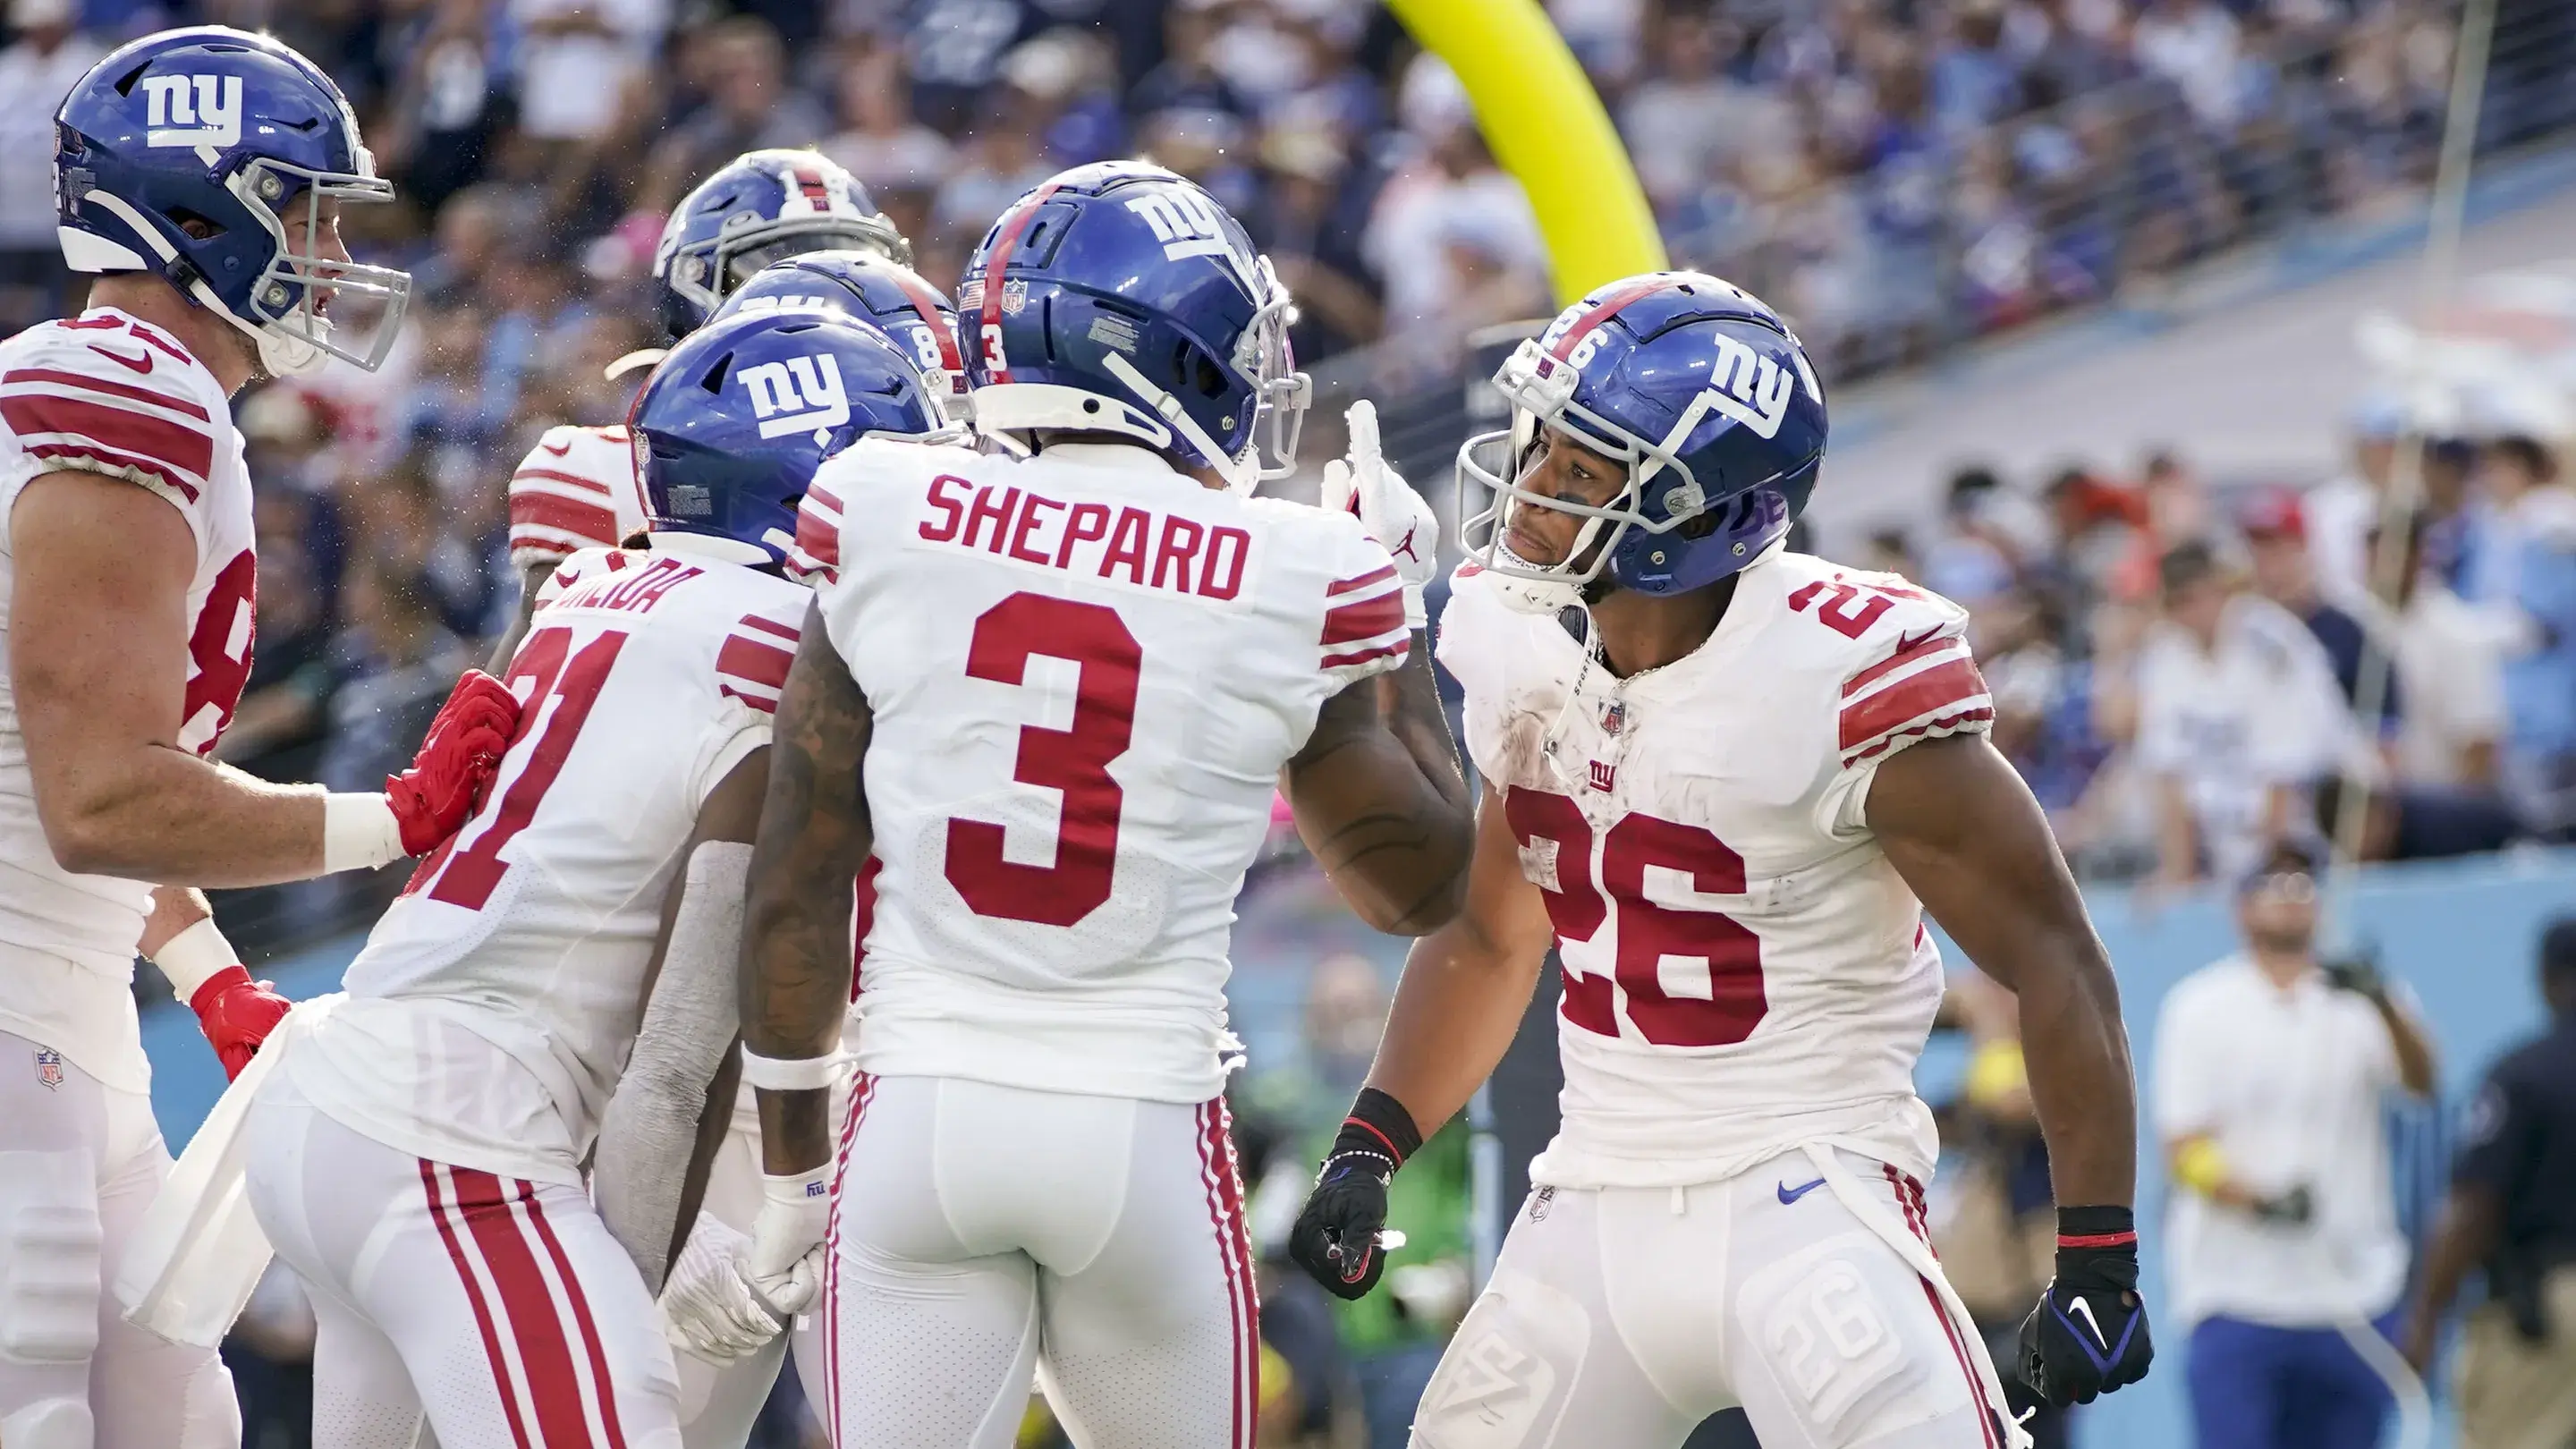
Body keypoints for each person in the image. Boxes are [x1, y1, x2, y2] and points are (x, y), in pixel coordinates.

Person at [1285, 271, 2154, 1448]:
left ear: (1699, 515)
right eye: (1543, 449)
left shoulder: (1844, 675)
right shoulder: (1521, 642)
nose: (1531, 491)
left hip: (1811, 1193)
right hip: (1590, 1194)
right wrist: (1371, 1140)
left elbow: (2055, 961)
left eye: (1583, 474)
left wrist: (2098, 1249)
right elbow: (1494, 935)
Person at [725, 160, 1477, 1449]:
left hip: (917, 1121)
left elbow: (795, 878)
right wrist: (1395, 619)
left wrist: (795, 1167)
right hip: (1142, 1135)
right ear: (1171, 358)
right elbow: (1425, 889)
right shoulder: (1300, 570)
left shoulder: (884, 504)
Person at [238, 309, 947, 1449]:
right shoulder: (780, 665)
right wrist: (635, 1292)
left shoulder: (594, 595)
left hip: (335, 1091)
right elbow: (673, 1067)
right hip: (456, 1145)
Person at [0, 30, 519, 1449]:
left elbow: (78, 770)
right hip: (16, 1028)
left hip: (66, 1015)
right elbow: (99, 800)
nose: (324, 246)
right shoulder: (120, 395)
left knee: (174, 1420)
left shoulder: (149, 401)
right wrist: (393, 818)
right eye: (299, 206)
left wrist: (212, 978)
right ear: (194, 211)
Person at [491, 148, 914, 668]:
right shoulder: (604, 468)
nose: (829, 300)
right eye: (780, 273)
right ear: (692, 284)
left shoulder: (946, 444)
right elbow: (529, 696)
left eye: (858, 268)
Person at [2153, 836, 2438, 1449]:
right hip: (2237, 1295)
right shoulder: (2201, 1007)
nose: (2289, 899)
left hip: (2353, 1293)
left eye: (2303, 885)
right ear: (2240, 907)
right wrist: (2259, 1199)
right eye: (2272, 884)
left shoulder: (2362, 999)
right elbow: (2184, 1149)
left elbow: (2422, 1085)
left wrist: (2381, 1000)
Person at [2402, 916, 2576, 1449]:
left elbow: (2474, 1208)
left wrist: (2427, 1316)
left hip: (2550, 1313)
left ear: (2549, 979)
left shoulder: (2525, 1076)